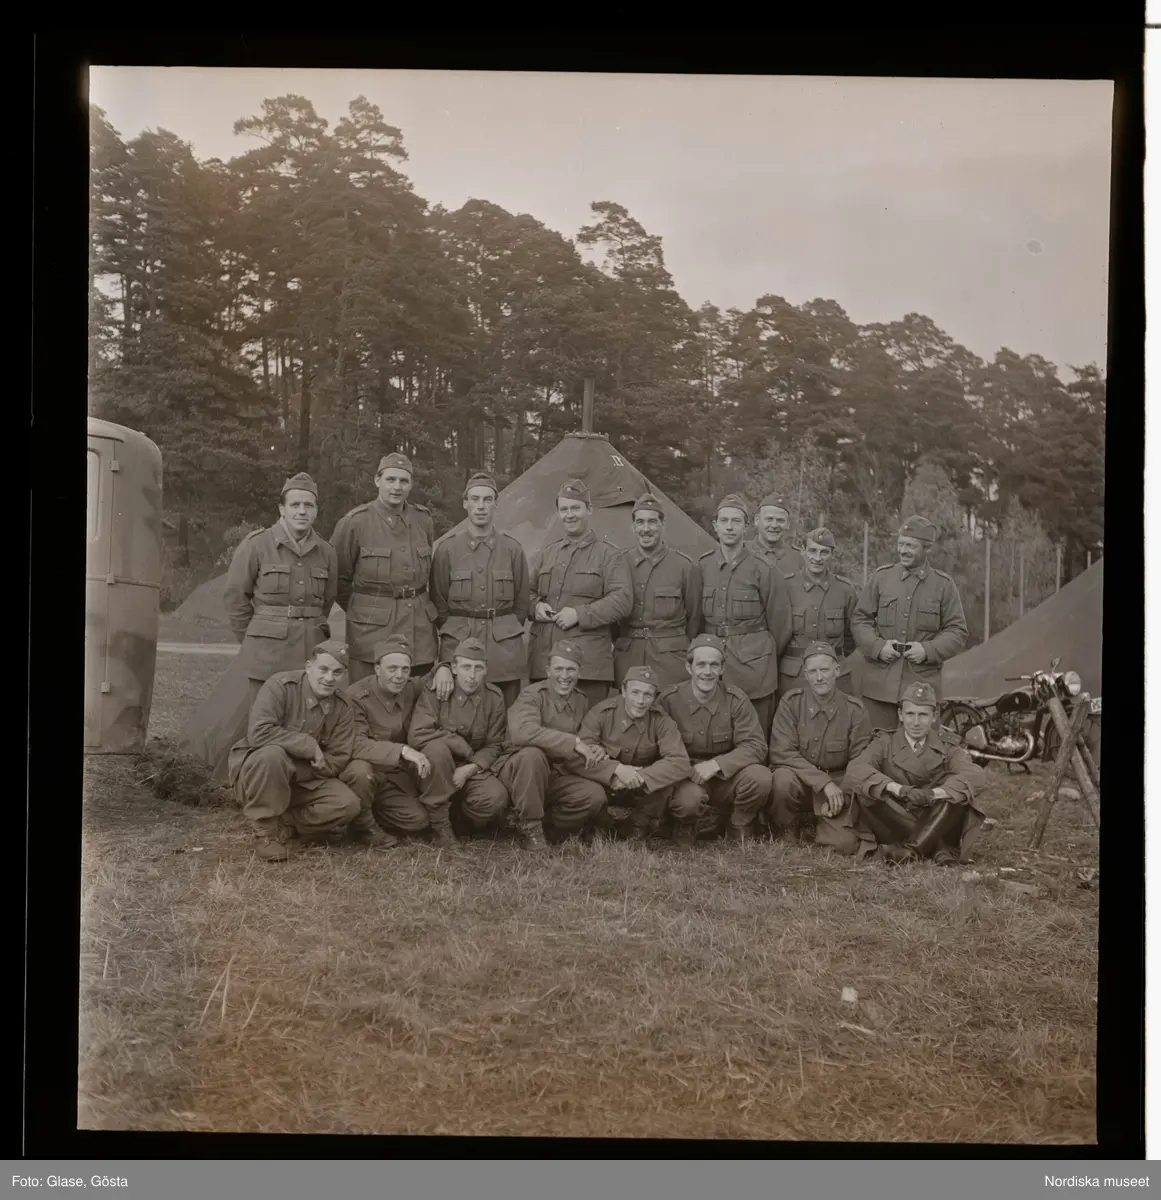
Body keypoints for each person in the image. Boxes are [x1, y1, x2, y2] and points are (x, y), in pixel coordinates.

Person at [182, 472, 338, 783]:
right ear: (282, 509)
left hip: (308, 644)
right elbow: (236, 598)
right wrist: (254, 638)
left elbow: (327, 600)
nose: (302, 511)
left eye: (308, 505)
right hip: (266, 647)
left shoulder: (326, 552)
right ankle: (241, 778)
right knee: (258, 715)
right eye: (295, 505)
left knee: (301, 710)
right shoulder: (258, 545)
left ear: (316, 510)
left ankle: (292, 778)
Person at [227, 640, 360, 862]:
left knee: (348, 804)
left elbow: (337, 759)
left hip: (303, 781)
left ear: (344, 675)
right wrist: (308, 745)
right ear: (308, 666)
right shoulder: (280, 686)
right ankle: (265, 833)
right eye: (323, 669)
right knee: (272, 755)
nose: (329, 678)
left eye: (337, 672)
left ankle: (286, 822)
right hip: (259, 775)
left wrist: (298, 770)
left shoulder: (343, 707)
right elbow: (259, 732)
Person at [331, 452, 451, 689]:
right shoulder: (355, 522)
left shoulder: (423, 520)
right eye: (390, 479)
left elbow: (427, 574)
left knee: (417, 696)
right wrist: (366, 608)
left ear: (411, 484)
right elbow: (337, 579)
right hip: (371, 632)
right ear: (377, 480)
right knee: (367, 697)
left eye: (404, 481)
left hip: (418, 630)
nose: (397, 487)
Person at [842, 681, 988, 865]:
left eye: (923, 715)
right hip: (895, 818)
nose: (916, 722)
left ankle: (910, 851)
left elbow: (976, 775)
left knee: (958, 790)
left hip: (936, 814)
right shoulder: (884, 742)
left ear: (934, 716)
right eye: (910, 714)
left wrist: (933, 794)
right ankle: (938, 848)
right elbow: (855, 769)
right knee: (870, 789)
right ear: (900, 715)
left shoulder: (947, 745)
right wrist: (898, 789)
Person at [851, 515, 968, 731]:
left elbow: (957, 631)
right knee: (875, 745)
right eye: (901, 544)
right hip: (880, 688)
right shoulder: (882, 578)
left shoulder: (943, 585)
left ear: (927, 549)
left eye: (910, 546)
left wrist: (927, 650)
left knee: (921, 748)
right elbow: (860, 620)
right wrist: (878, 647)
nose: (903, 551)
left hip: (922, 689)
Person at [528, 477, 633, 709]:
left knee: (588, 727)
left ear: (589, 509)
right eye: (564, 509)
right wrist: (535, 606)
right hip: (545, 663)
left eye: (575, 508)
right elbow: (526, 593)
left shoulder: (609, 555)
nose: (570, 515)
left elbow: (622, 600)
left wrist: (580, 614)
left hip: (588, 667)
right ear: (558, 513)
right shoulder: (547, 554)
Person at [495, 639, 610, 850]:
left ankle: (545, 826)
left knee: (594, 795)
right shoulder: (532, 694)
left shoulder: (581, 699)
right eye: (558, 669)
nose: (564, 676)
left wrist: (594, 747)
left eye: (571, 669)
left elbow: (585, 736)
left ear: (580, 671)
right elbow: (522, 732)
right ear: (547, 671)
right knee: (533, 755)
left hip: (555, 772)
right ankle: (531, 827)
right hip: (519, 771)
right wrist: (573, 742)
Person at [657, 634, 771, 843]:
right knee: (688, 800)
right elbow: (657, 748)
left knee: (760, 777)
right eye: (701, 665)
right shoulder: (669, 700)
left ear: (722, 669)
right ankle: (684, 826)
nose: (707, 672)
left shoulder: (736, 699)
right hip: (687, 777)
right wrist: (686, 771)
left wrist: (716, 764)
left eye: (714, 665)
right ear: (689, 668)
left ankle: (738, 824)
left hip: (725, 776)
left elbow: (756, 746)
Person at [430, 471, 530, 709]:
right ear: (465, 503)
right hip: (460, 646)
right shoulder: (447, 550)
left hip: (503, 651)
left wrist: (502, 628)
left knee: (505, 714)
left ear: (496, 503)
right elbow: (439, 603)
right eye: (475, 499)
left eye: (487, 499)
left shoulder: (512, 550)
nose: (481, 506)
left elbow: (521, 605)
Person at [339, 634, 447, 850]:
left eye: (405, 669)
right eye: (392, 669)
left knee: (418, 820)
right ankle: (364, 827)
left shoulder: (410, 687)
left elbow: (431, 676)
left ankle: (370, 810)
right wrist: (403, 750)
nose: (399, 676)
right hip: (366, 769)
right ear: (377, 669)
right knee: (360, 771)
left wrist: (443, 667)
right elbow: (356, 744)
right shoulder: (356, 697)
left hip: (394, 777)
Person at [699, 493, 793, 738]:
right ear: (715, 526)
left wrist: (761, 654)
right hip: (713, 667)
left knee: (754, 736)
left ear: (746, 526)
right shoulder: (702, 566)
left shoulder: (764, 569)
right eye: (724, 521)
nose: (729, 527)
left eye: (736, 521)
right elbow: (695, 621)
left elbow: (781, 626)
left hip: (754, 670)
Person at [767, 641, 873, 850]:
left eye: (824, 670)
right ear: (805, 675)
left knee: (844, 845)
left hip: (838, 785)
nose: (819, 677)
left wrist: (843, 792)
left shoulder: (855, 710)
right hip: (801, 782)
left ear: (837, 671)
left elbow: (859, 763)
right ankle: (787, 825)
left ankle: (831, 822)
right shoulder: (791, 703)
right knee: (782, 779)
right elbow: (782, 753)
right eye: (813, 671)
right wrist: (823, 782)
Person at [573, 666, 693, 847]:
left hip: (640, 788)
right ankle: (599, 824)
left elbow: (680, 761)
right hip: (608, 783)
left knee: (666, 779)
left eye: (647, 695)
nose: (640, 701)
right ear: (623, 690)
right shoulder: (602, 712)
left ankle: (638, 825)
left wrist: (639, 776)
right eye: (635, 692)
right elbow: (580, 752)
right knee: (589, 783)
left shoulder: (661, 720)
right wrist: (614, 770)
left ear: (654, 697)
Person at [407, 637, 509, 846]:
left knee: (495, 798)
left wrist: (470, 768)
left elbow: (495, 744)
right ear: (454, 668)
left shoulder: (494, 697)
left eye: (478, 668)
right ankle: (440, 827)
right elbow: (418, 733)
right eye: (466, 667)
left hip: (470, 766)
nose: (471, 675)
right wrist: (459, 744)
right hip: (435, 769)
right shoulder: (437, 688)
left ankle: (460, 822)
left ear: (486, 670)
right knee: (436, 750)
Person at [613, 492, 702, 691]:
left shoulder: (684, 566)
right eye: (640, 522)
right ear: (633, 526)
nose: (646, 529)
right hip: (629, 657)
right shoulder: (619, 563)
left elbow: (695, 619)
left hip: (670, 661)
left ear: (663, 525)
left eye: (652, 522)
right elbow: (611, 617)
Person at [778, 527, 859, 699]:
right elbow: (777, 633)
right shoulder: (785, 586)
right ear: (803, 551)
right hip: (795, 675)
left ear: (832, 555)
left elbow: (852, 637)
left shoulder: (845, 590)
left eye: (824, 552)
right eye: (812, 551)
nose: (817, 558)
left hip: (833, 676)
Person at [752, 493, 802, 578]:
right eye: (769, 519)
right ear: (757, 520)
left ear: (788, 524)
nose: (774, 525)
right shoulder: (741, 553)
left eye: (780, 520)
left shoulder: (798, 559)